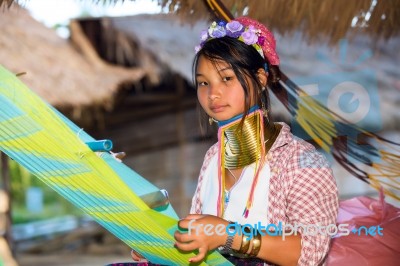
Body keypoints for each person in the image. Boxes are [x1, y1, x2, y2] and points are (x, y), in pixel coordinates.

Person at [132, 16, 338, 265]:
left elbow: (309, 252)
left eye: (227, 78)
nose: (212, 93)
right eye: (203, 83)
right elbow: (199, 236)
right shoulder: (212, 159)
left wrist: (227, 234)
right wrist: (166, 245)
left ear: (260, 79)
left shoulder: (299, 160)